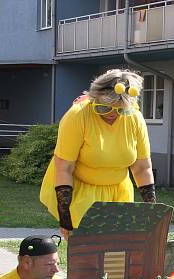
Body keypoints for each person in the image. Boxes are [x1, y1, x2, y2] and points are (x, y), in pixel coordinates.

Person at [40, 68, 157, 240]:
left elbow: (142, 168)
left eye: (120, 110)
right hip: (83, 192)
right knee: (88, 254)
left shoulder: (134, 117)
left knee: (118, 253)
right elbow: (64, 167)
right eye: (103, 108)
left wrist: (153, 212)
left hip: (119, 193)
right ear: (94, 98)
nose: (111, 114)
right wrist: (65, 217)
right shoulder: (78, 115)